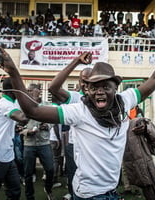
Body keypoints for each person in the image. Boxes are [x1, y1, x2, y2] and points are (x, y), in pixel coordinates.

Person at [0, 30, 155, 199]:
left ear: (116, 88)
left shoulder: (125, 100)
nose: (99, 91)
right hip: (89, 194)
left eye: (106, 86)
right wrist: (13, 72)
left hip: (110, 189)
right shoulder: (79, 111)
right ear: (87, 90)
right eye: (94, 87)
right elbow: (33, 110)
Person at [49, 66, 93, 200]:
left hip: (91, 146)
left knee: (89, 174)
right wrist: (76, 62)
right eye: (82, 80)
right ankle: (72, 193)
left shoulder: (99, 96)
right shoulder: (75, 97)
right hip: (73, 145)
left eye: (89, 80)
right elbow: (53, 88)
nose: (85, 84)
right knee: (72, 171)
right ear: (79, 82)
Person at [19, 83, 55, 200]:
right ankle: (30, 196)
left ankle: (48, 188)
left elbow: (53, 120)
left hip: (44, 142)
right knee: (28, 173)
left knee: (50, 168)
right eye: (28, 91)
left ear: (38, 91)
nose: (28, 93)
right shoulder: (23, 106)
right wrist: (26, 131)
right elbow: (17, 126)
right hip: (29, 144)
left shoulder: (46, 105)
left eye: (31, 90)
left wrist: (47, 126)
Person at [123, 116, 155, 200]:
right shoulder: (114, 128)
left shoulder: (136, 123)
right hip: (133, 167)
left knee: (152, 189)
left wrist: (146, 128)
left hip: (144, 166)